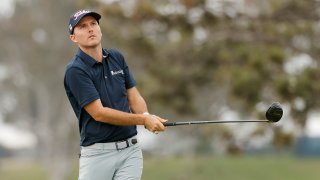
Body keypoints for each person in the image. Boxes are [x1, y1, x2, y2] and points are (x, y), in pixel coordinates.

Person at [64, 9, 167, 180]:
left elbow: (133, 96)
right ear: (73, 38)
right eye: (82, 26)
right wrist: (143, 120)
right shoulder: (75, 70)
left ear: (100, 29)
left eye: (93, 24)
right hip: (97, 155)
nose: (90, 29)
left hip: (130, 151)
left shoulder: (116, 57)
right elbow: (99, 113)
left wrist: (147, 116)